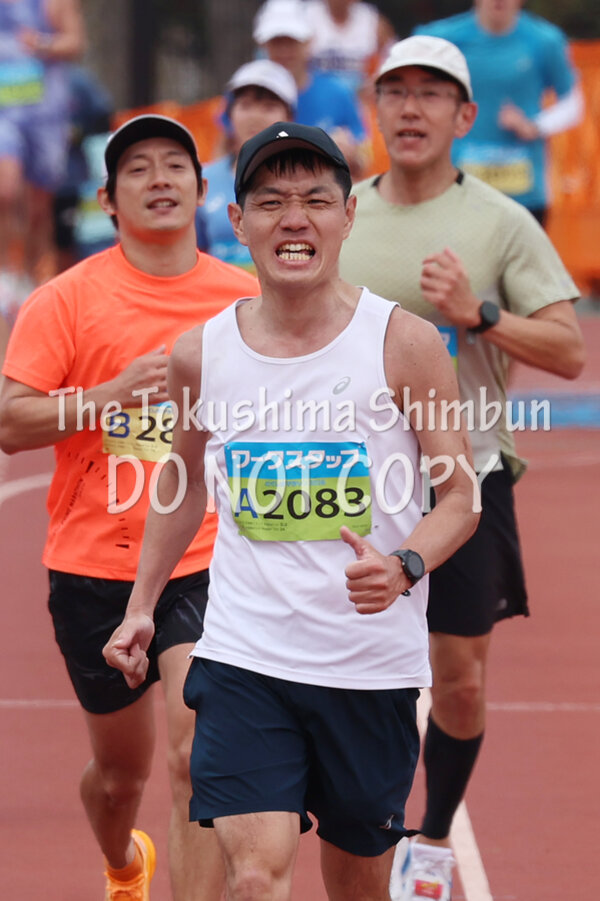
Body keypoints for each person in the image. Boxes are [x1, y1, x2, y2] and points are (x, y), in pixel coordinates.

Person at [103, 120, 480, 901]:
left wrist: (404, 564)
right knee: (254, 874)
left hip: (368, 665)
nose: (294, 219)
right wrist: (141, 605)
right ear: (237, 223)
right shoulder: (201, 353)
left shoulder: (404, 342)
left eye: (315, 199)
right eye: (271, 202)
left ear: (348, 215)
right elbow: (185, 480)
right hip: (247, 656)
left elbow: (460, 496)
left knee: (357, 884)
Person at [338, 35, 585, 900]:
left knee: (461, 683)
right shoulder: (338, 216)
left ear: (465, 114)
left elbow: (567, 348)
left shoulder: (501, 223)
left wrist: (479, 314)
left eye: (432, 93)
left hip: (464, 480)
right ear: (375, 109)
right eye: (395, 91)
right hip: (350, 487)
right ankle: (363, 827)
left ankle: (434, 836)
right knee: (346, 675)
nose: (411, 108)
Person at [0, 114, 258, 901]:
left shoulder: (245, 298)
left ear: (202, 189)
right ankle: (123, 864)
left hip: (206, 556)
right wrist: (108, 395)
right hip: (94, 564)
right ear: (108, 200)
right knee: (120, 777)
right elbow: (12, 423)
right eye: (137, 169)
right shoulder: (65, 300)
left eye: (174, 165)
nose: (159, 179)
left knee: (195, 754)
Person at [414, 0, 584, 226]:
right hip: (458, 186)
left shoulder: (545, 40)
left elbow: (573, 104)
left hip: (525, 193)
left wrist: (535, 127)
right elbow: (400, 81)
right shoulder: (440, 38)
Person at [0, 0, 86, 304]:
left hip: (46, 112)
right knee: (6, 190)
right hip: (4, 114)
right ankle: (5, 276)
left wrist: (40, 43)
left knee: (39, 206)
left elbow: (76, 43)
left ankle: (31, 276)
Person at [196, 58, 297, 270]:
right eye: (246, 105)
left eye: (269, 107)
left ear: (289, 117)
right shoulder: (203, 179)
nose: (255, 116)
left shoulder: (308, 180)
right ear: (229, 115)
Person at [253, 0, 370, 177]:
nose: (284, 50)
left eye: (292, 41)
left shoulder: (338, 92)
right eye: (276, 42)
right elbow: (224, 157)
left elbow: (364, 155)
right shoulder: (245, 94)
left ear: (308, 42)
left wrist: (351, 154)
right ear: (263, 45)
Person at [304, 0, 396, 97]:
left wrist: (376, 81)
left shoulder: (372, 20)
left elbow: (394, 58)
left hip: (361, 97)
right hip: (316, 95)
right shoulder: (307, 16)